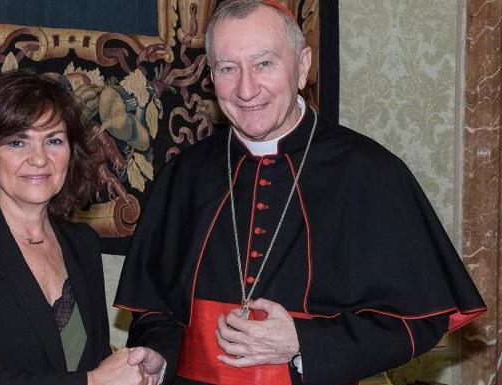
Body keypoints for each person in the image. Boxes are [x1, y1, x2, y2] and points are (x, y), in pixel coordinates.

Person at [114, 1, 487, 385]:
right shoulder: (185, 174)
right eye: (228, 68)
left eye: (264, 63)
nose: (246, 88)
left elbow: (417, 321)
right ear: (212, 76)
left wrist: (302, 342)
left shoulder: (369, 172)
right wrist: (159, 356)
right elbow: (155, 307)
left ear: (303, 65)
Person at [0, 71, 154, 385]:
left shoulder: (83, 244)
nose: (39, 159)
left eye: (54, 140)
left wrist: (138, 367)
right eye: (18, 142)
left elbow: (87, 361)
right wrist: (93, 382)